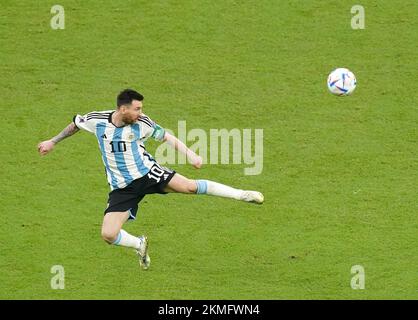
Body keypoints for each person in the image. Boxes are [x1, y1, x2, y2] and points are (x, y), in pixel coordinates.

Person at [38, 89, 264, 270]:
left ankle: (241, 195)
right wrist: (53, 141)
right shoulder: (98, 120)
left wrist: (191, 154)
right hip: (122, 188)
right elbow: (76, 125)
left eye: (141, 108)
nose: (140, 112)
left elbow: (167, 136)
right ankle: (139, 244)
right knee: (108, 234)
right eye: (136, 109)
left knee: (190, 187)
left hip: (148, 174)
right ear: (122, 109)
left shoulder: (142, 123)